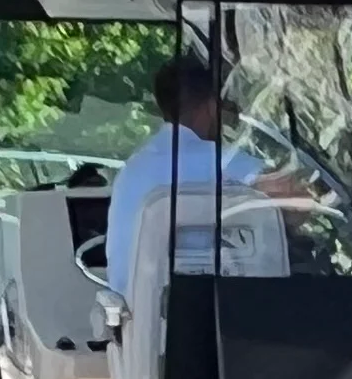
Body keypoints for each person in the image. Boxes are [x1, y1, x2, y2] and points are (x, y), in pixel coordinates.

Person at [101, 50, 310, 295]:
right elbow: (298, 204)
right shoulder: (213, 159)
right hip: (183, 309)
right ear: (212, 106)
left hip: (131, 309)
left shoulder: (133, 167)